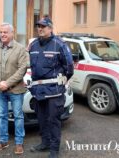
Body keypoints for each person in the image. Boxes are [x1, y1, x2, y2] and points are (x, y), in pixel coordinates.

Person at [28, 16, 74, 158]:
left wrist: (62, 81)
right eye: (38, 26)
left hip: (54, 91)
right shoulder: (34, 44)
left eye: (43, 26)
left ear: (50, 28)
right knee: (41, 119)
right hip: (38, 91)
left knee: (53, 120)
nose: (40, 29)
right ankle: (45, 143)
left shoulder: (59, 44)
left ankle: (54, 149)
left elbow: (69, 67)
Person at [0, 23, 28, 155]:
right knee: (2, 116)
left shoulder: (20, 49)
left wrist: (7, 83)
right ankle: (3, 140)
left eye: (6, 32)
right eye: (1, 32)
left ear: (12, 33)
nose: (3, 34)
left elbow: (22, 69)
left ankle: (19, 143)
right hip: (0, 89)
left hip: (15, 90)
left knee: (18, 116)